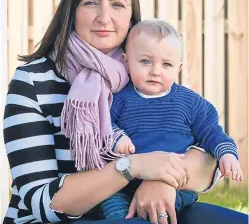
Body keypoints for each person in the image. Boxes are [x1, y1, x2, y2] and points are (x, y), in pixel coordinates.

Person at [3, 0, 247, 224]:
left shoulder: (147, 71)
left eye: (118, 4)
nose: (104, 17)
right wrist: (132, 167)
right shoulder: (33, 80)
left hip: (149, 207)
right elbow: (42, 201)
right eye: (90, 2)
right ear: (71, 11)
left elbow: (206, 161)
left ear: (132, 16)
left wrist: (162, 180)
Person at [96, 19, 243, 221]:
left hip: (173, 183)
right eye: (146, 61)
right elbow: (102, 125)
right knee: (110, 202)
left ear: (178, 68)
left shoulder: (190, 102)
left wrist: (227, 154)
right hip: (126, 182)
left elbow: (212, 132)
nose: (156, 71)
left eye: (166, 64)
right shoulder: (120, 99)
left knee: (162, 210)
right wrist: (117, 137)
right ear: (126, 61)